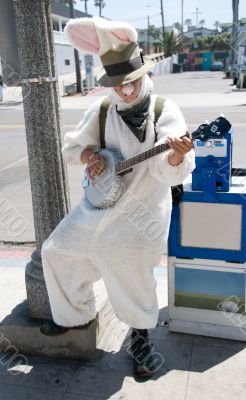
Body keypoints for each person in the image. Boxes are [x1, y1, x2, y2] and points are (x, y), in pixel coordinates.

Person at [40, 17, 195, 378]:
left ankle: (140, 338)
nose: (126, 91)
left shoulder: (164, 110)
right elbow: (75, 147)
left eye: (132, 82)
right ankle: (74, 316)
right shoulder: (104, 109)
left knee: (129, 265)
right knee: (56, 250)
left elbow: (171, 168)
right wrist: (90, 158)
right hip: (100, 205)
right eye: (118, 84)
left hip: (144, 210)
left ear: (144, 74)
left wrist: (175, 154)